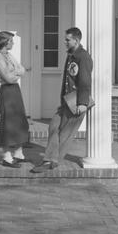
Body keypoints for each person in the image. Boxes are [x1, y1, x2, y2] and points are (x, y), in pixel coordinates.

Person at [31, 27, 93, 173]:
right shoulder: (71, 55)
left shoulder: (82, 57)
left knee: (65, 135)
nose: (65, 42)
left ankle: (50, 161)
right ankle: (51, 160)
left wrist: (83, 103)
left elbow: (85, 81)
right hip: (66, 101)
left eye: (67, 39)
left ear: (76, 40)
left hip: (77, 102)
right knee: (53, 126)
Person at [0, 30, 29, 168]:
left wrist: (15, 73)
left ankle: (19, 154)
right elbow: (8, 78)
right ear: (4, 42)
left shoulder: (9, 55)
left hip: (15, 90)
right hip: (7, 92)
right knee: (8, 124)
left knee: (20, 122)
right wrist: (17, 72)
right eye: (11, 41)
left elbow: (23, 70)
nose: (13, 43)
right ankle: (7, 158)